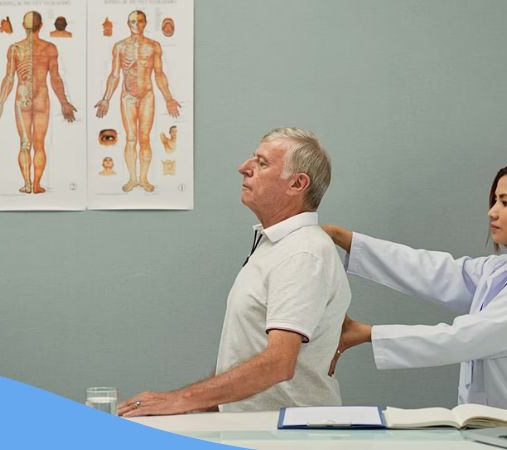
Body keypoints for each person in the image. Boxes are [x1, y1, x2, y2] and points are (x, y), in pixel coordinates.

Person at [118, 128, 351, 416]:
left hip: (288, 437)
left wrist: (179, 400)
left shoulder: (303, 252)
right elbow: (247, 352)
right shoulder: (276, 246)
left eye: (262, 163)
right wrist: (204, 406)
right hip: (260, 430)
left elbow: (279, 362)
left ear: (297, 183)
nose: (243, 168)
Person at [324, 158, 507, 412]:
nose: (492, 211)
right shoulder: (501, 269)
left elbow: (463, 338)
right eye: (494, 201)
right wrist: (344, 238)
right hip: (491, 428)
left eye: (505, 202)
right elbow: (431, 271)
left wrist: (367, 333)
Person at [0, 11, 77, 194]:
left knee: (24, 144)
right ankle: (36, 185)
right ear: (41, 26)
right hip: (41, 97)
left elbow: (9, 78)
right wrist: (64, 102)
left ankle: (27, 184)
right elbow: (55, 78)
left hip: (22, 98)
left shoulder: (14, 48)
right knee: (39, 144)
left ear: (22, 25)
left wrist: (0, 102)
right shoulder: (49, 48)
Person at [95, 10, 181, 193]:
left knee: (145, 138)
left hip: (147, 95)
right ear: (128, 23)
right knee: (131, 138)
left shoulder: (154, 46)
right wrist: (105, 99)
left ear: (145, 23)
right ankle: (132, 179)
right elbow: (115, 74)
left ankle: (144, 179)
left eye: (140, 21)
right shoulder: (119, 46)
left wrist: (169, 98)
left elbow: (159, 74)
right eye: (133, 21)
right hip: (127, 96)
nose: (136, 24)